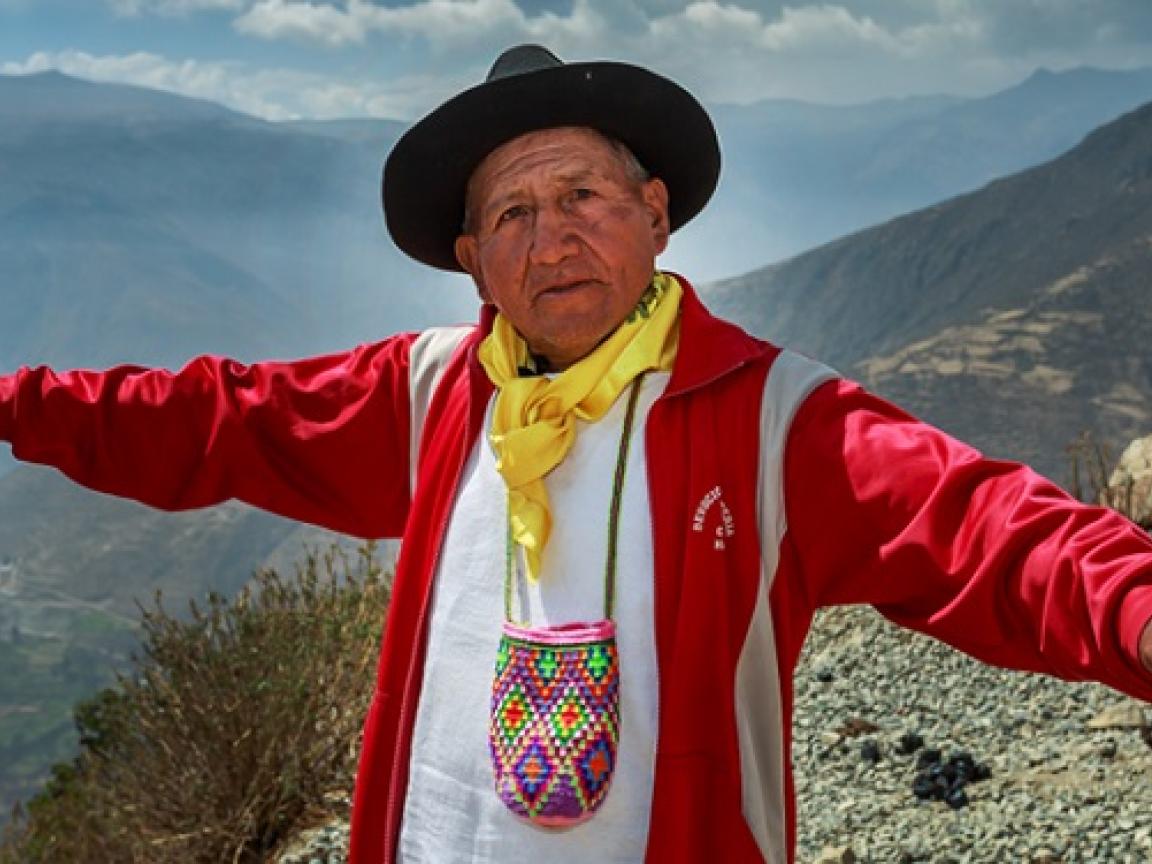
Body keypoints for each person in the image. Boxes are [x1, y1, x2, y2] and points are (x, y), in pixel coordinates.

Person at [2, 44, 1151, 864]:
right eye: (511, 215)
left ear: (656, 211)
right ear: (472, 260)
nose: (552, 240)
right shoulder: (432, 394)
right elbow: (209, 418)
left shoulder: (771, 423)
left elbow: (995, 532)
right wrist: (12, 406)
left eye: (584, 194)